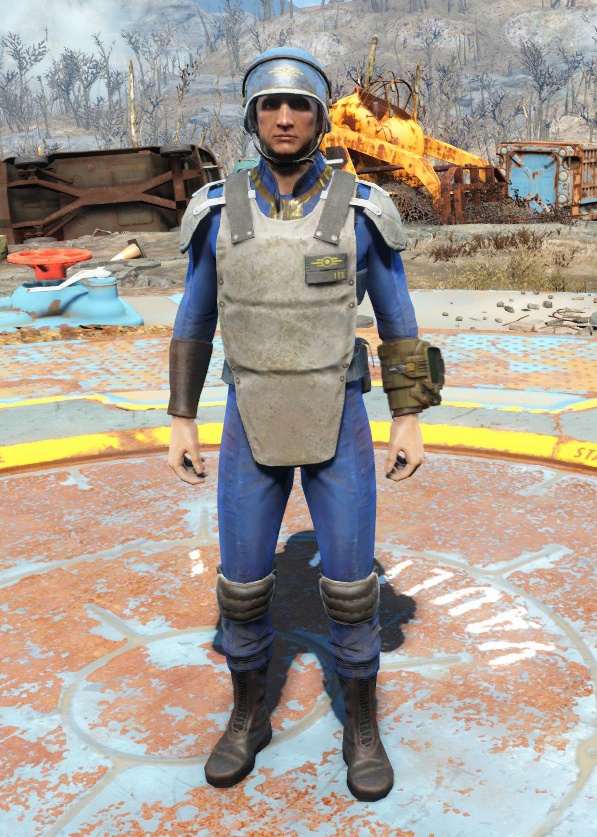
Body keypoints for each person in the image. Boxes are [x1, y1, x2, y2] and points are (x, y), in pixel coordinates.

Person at [167, 47, 444, 802]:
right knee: (241, 586)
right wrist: (182, 417)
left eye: (299, 105)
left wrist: (408, 417)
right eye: (270, 105)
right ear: (252, 116)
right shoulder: (216, 210)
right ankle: (247, 715)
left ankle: (362, 725)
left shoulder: (362, 209)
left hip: (339, 415)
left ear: (320, 118)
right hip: (248, 419)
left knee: (352, 587)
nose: (284, 117)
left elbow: (398, 321)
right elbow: (193, 320)